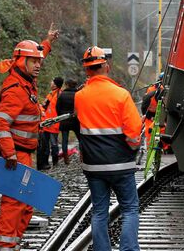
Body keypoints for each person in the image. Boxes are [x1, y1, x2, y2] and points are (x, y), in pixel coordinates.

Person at [0, 24, 59, 251]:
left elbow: (35, 55)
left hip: (24, 154)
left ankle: (14, 244)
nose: (39, 64)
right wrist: (9, 154)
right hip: (16, 156)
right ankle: (5, 246)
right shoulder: (15, 90)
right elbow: (1, 123)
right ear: (23, 63)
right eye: (34, 61)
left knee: (27, 203)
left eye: (40, 60)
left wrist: (47, 42)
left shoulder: (26, 82)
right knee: (14, 203)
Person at [74, 46, 142, 251]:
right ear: (107, 66)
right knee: (130, 208)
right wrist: (133, 148)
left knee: (99, 211)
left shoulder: (80, 97)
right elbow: (133, 133)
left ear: (87, 70)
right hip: (121, 165)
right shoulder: (121, 95)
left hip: (94, 166)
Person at [38, 77, 63, 170]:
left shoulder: (59, 95)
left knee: (53, 144)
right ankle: (46, 163)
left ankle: (55, 162)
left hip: (54, 124)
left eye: (52, 82)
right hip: (46, 123)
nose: (50, 83)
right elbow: (45, 105)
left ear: (55, 84)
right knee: (46, 145)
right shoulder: (51, 94)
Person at [56, 78, 80, 164]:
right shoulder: (78, 94)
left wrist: (61, 116)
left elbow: (57, 107)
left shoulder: (62, 95)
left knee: (64, 140)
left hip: (64, 119)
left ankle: (66, 159)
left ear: (67, 85)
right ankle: (82, 157)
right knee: (80, 139)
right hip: (76, 120)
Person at [141, 72, 167, 150]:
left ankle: (160, 146)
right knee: (150, 131)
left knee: (160, 131)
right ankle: (151, 148)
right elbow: (144, 105)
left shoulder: (165, 90)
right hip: (150, 115)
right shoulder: (151, 90)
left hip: (161, 114)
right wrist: (148, 116)